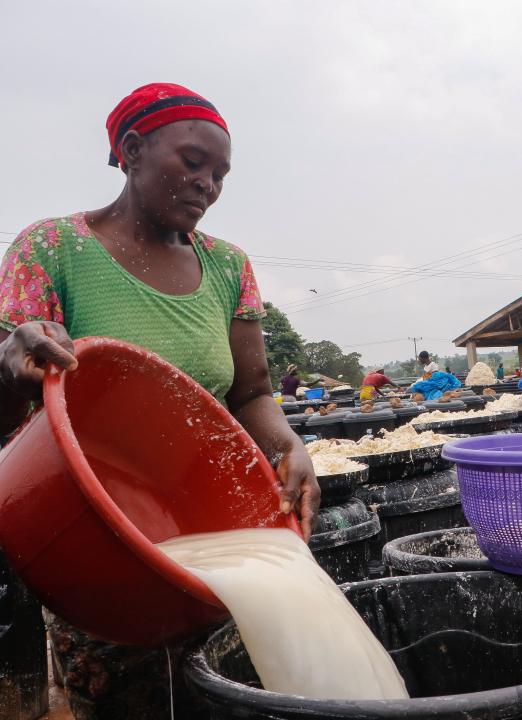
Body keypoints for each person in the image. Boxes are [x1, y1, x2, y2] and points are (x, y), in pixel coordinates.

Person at [0, 83, 321, 718]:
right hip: (91, 527)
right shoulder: (52, 249)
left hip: (203, 520)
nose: (209, 184)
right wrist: (11, 366)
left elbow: (252, 391)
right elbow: (15, 409)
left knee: (221, 692)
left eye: (221, 173)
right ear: (133, 149)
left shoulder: (229, 267)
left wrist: (288, 443)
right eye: (193, 161)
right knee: (123, 696)